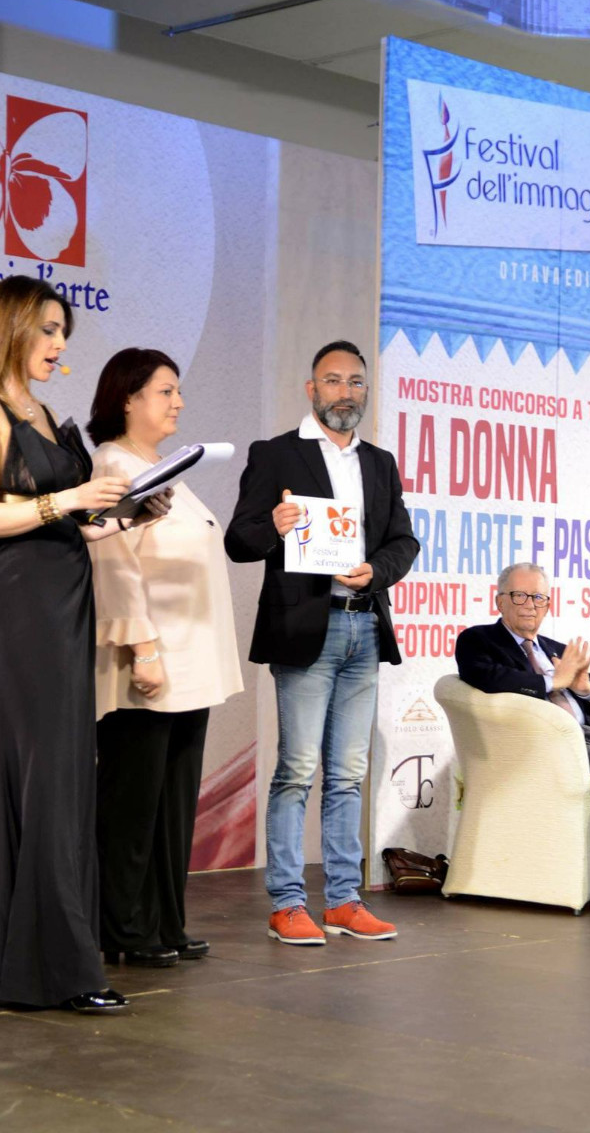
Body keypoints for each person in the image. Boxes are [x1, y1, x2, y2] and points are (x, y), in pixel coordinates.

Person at [0, 276, 167, 1013]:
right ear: (10, 328)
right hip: (22, 601)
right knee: (49, 769)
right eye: (47, 329)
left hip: (67, 593)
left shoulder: (39, 412)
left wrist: (127, 513)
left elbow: (71, 524)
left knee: (62, 766)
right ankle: (58, 968)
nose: (59, 343)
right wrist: (69, 498)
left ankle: (25, 952)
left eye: (62, 331)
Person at [225, 340, 419, 946]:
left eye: (356, 382)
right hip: (306, 627)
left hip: (364, 624)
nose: (345, 392)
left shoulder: (379, 463)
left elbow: (403, 541)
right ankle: (287, 902)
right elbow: (238, 540)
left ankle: (343, 900)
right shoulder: (277, 454)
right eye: (333, 381)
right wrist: (272, 525)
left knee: (349, 774)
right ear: (312, 389)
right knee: (298, 770)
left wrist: (376, 571)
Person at [86, 347, 243, 967]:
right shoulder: (113, 464)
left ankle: (165, 922)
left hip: (190, 665)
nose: (178, 402)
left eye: (178, 391)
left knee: (172, 803)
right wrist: (143, 649)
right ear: (128, 398)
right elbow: (114, 564)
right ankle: (124, 928)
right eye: (165, 391)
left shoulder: (162, 466)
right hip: (149, 662)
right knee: (133, 802)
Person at [455, 561, 590, 908]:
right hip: (550, 745)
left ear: (548, 604)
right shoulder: (478, 640)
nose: (530, 605)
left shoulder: (556, 648)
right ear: (500, 600)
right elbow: (490, 679)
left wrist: (584, 688)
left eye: (538, 597)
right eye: (519, 595)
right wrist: (553, 681)